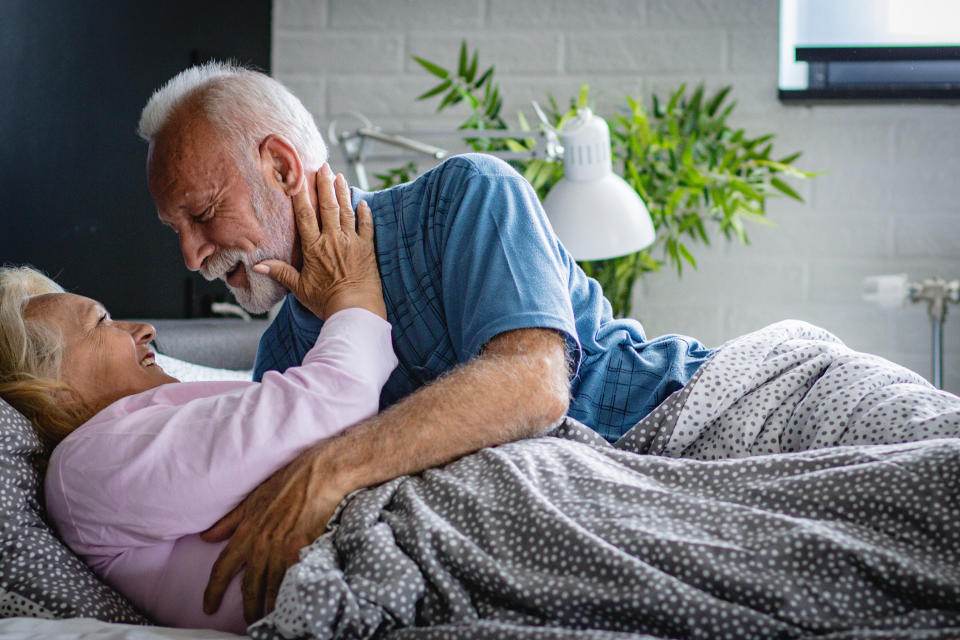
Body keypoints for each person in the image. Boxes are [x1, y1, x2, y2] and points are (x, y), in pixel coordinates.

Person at [138, 61, 714, 621]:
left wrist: (333, 467)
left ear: (283, 169)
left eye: (205, 213)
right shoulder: (283, 359)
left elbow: (534, 386)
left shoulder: (465, 195)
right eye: (175, 232)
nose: (192, 256)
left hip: (680, 408)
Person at [0, 171, 394, 633]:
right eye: (101, 322)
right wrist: (355, 297)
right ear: (52, 388)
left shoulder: (127, 441)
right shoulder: (87, 465)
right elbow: (328, 402)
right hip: (380, 562)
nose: (143, 330)